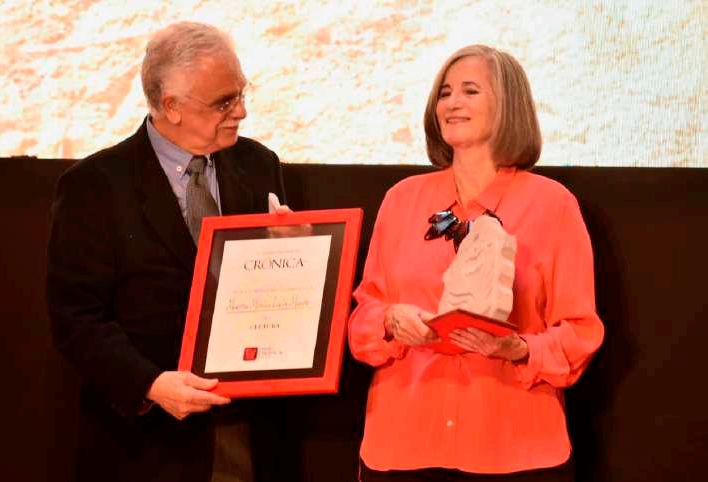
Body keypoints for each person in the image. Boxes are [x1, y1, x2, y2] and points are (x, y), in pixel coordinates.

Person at [347, 45, 604, 482]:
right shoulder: (401, 200)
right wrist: (390, 320)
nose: (452, 103)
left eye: (470, 91)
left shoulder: (553, 205)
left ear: (508, 105)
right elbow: (361, 321)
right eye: (445, 93)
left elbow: (580, 333)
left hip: (515, 450)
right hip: (405, 446)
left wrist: (517, 348)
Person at [46, 22, 287, 482]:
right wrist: (151, 385)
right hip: (145, 444)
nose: (242, 111)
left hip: (243, 433)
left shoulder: (260, 166)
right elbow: (76, 318)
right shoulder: (93, 186)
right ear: (171, 105)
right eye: (224, 102)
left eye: (241, 93)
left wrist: (296, 253)